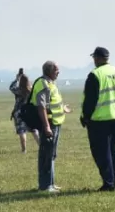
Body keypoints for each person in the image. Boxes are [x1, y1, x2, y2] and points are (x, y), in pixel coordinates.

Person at [80, 46, 115, 192]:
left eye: (94, 58)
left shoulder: (95, 75)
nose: (93, 60)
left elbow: (90, 100)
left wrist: (86, 118)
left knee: (102, 153)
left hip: (99, 120)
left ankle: (108, 183)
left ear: (97, 58)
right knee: (114, 150)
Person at [29, 61, 70, 193]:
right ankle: (45, 186)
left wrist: (63, 108)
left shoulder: (51, 83)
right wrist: (46, 126)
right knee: (46, 154)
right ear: (49, 71)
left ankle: (51, 183)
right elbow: (41, 107)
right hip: (49, 124)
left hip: (56, 123)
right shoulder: (43, 84)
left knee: (51, 154)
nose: (58, 72)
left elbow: (52, 103)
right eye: (56, 70)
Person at [9, 69, 40, 153]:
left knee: (22, 131)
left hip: (19, 113)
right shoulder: (31, 90)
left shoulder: (19, 90)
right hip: (30, 112)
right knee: (34, 130)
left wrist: (17, 79)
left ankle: (24, 150)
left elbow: (11, 87)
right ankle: (41, 147)